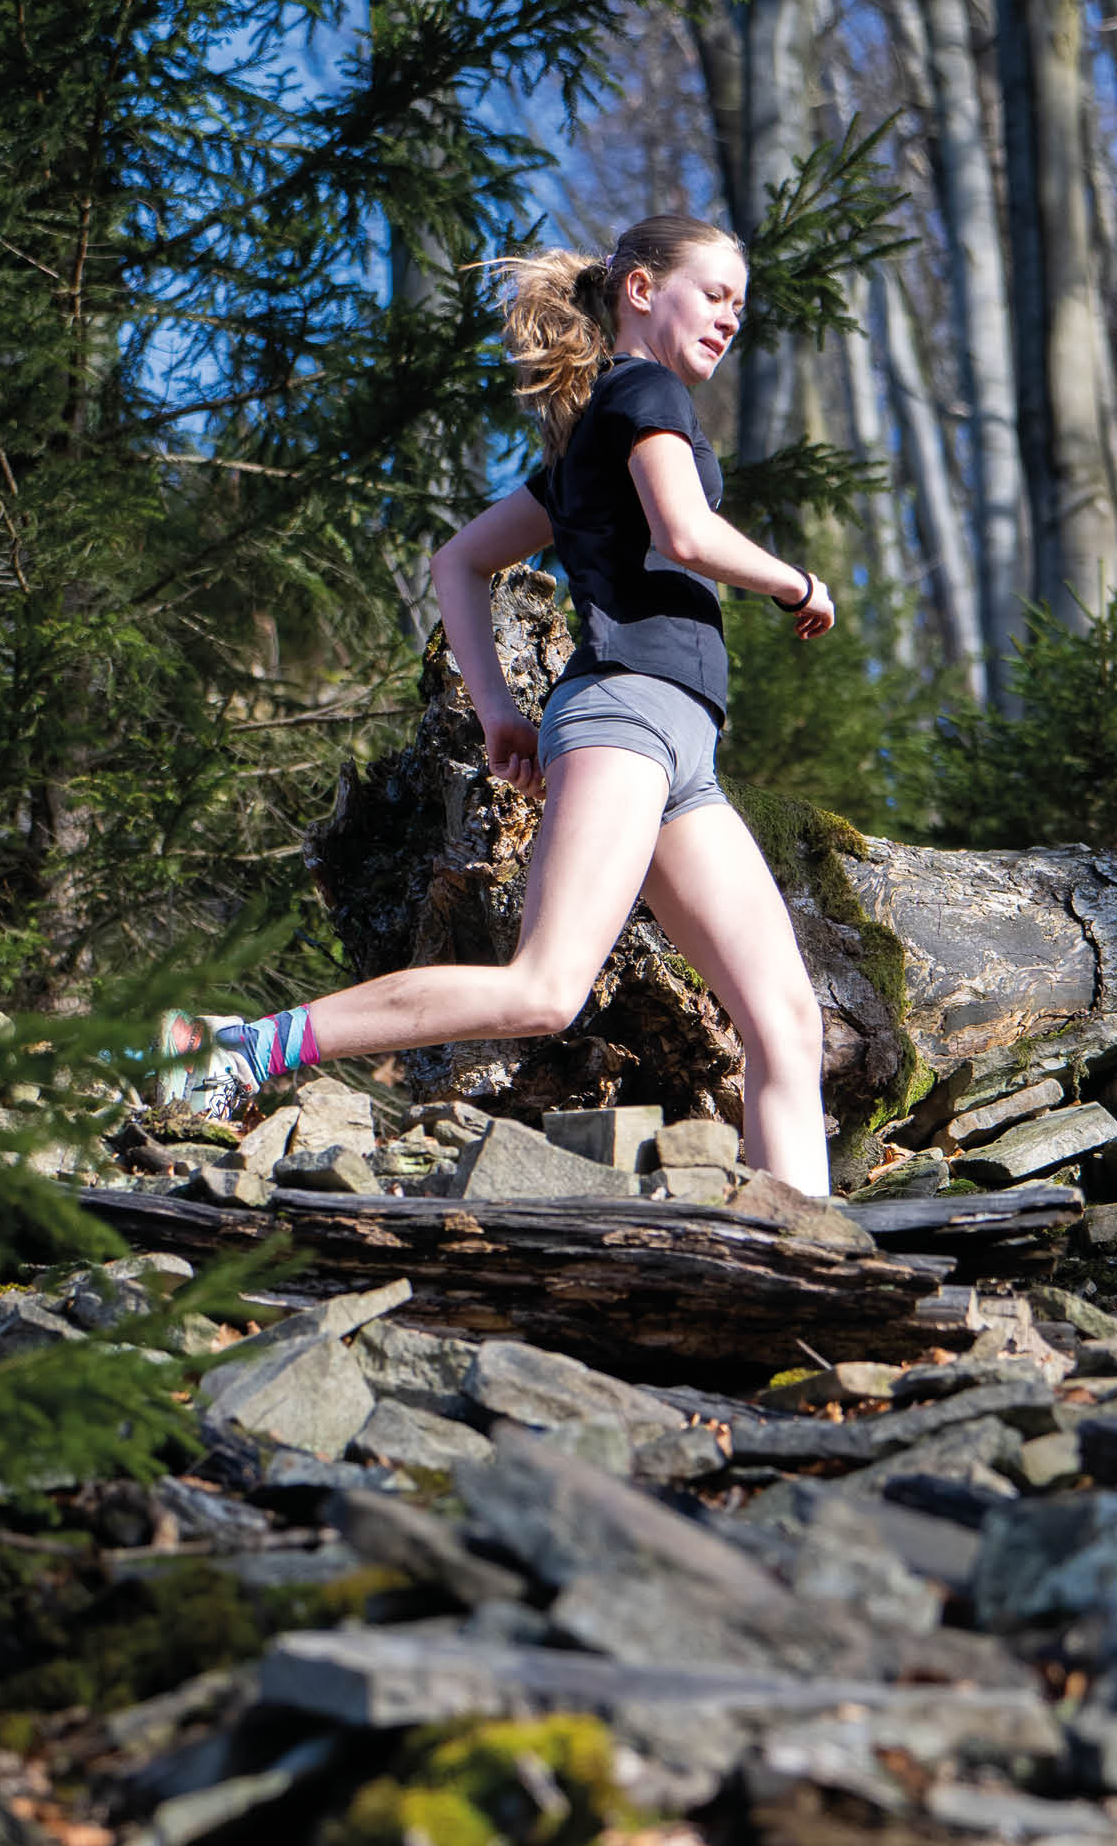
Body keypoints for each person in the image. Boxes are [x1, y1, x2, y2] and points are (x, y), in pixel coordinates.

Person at [156, 214, 838, 1194]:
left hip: (676, 743)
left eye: (741, 304)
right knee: (545, 987)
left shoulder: (588, 434)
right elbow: (684, 534)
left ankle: (802, 1253)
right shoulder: (642, 390)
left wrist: (500, 713)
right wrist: (793, 583)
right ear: (642, 290)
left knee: (787, 1019)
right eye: (717, 294)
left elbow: (459, 559)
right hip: (630, 715)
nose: (732, 319)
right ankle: (234, 1048)